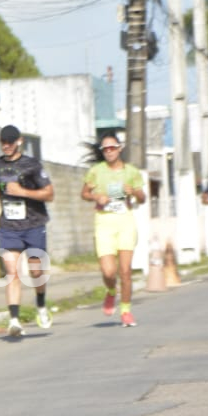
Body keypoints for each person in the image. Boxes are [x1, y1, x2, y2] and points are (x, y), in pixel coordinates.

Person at [0, 125, 55, 335]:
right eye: (3, 142)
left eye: (10, 141)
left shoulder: (32, 165)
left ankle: (41, 305)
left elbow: (49, 194)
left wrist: (22, 192)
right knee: (12, 272)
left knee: (36, 272)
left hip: (33, 224)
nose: (6, 145)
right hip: (9, 227)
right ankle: (14, 321)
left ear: (19, 141)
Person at [81, 134, 147, 327]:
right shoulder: (96, 171)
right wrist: (96, 197)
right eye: (105, 149)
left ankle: (126, 311)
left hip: (125, 221)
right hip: (104, 222)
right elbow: (84, 193)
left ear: (120, 148)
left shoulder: (131, 172)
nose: (109, 152)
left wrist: (133, 192)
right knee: (109, 272)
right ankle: (111, 291)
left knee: (125, 271)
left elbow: (142, 198)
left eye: (112, 148)